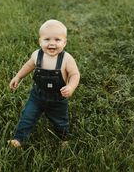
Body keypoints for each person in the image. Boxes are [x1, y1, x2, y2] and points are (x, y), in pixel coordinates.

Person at [8, 19, 80, 148]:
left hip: (58, 97)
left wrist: (70, 86)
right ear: (40, 41)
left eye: (57, 40)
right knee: (27, 116)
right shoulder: (37, 55)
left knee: (60, 120)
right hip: (37, 95)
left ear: (65, 42)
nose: (52, 43)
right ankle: (18, 139)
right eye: (47, 39)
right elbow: (29, 66)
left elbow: (75, 74)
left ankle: (63, 138)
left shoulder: (66, 58)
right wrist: (18, 76)